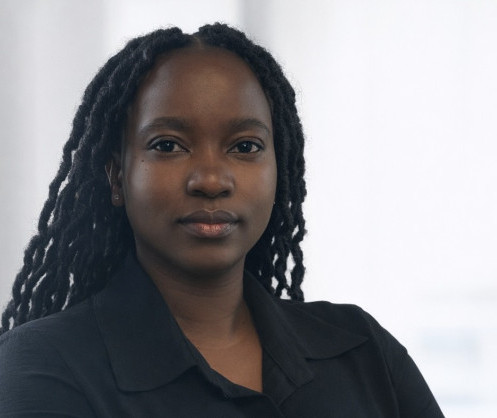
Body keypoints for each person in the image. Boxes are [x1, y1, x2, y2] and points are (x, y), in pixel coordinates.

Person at [0, 23, 444, 417]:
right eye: (168, 145)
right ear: (117, 176)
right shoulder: (42, 365)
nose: (211, 180)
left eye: (245, 147)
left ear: (279, 169)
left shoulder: (362, 349)